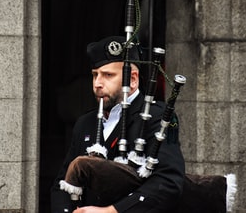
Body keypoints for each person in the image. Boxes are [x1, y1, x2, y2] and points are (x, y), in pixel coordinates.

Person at [50, 36, 185, 213]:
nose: (98, 83)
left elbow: (168, 182)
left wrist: (113, 211)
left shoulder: (157, 117)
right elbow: (61, 186)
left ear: (133, 79)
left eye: (108, 75)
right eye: (95, 75)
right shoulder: (85, 124)